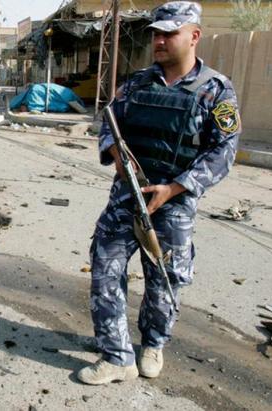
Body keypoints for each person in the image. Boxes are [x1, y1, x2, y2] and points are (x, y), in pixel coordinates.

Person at [77, 1, 241, 385]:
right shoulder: (137, 83)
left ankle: (152, 344)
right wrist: (115, 154)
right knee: (105, 269)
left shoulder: (215, 90)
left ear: (194, 36)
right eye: (156, 34)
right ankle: (117, 355)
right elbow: (108, 123)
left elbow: (224, 151)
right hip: (127, 197)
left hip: (174, 202)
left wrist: (175, 188)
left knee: (165, 280)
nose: (160, 41)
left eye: (170, 33)